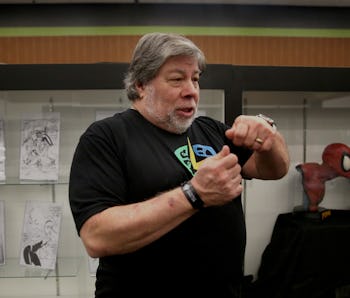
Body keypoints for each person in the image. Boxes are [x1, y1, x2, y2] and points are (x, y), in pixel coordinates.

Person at [69, 32, 290, 298]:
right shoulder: (107, 137)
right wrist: (194, 195)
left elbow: (274, 169)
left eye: (195, 79)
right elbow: (97, 237)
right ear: (141, 84)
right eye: (177, 80)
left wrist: (268, 136)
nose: (192, 91)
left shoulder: (210, 130)